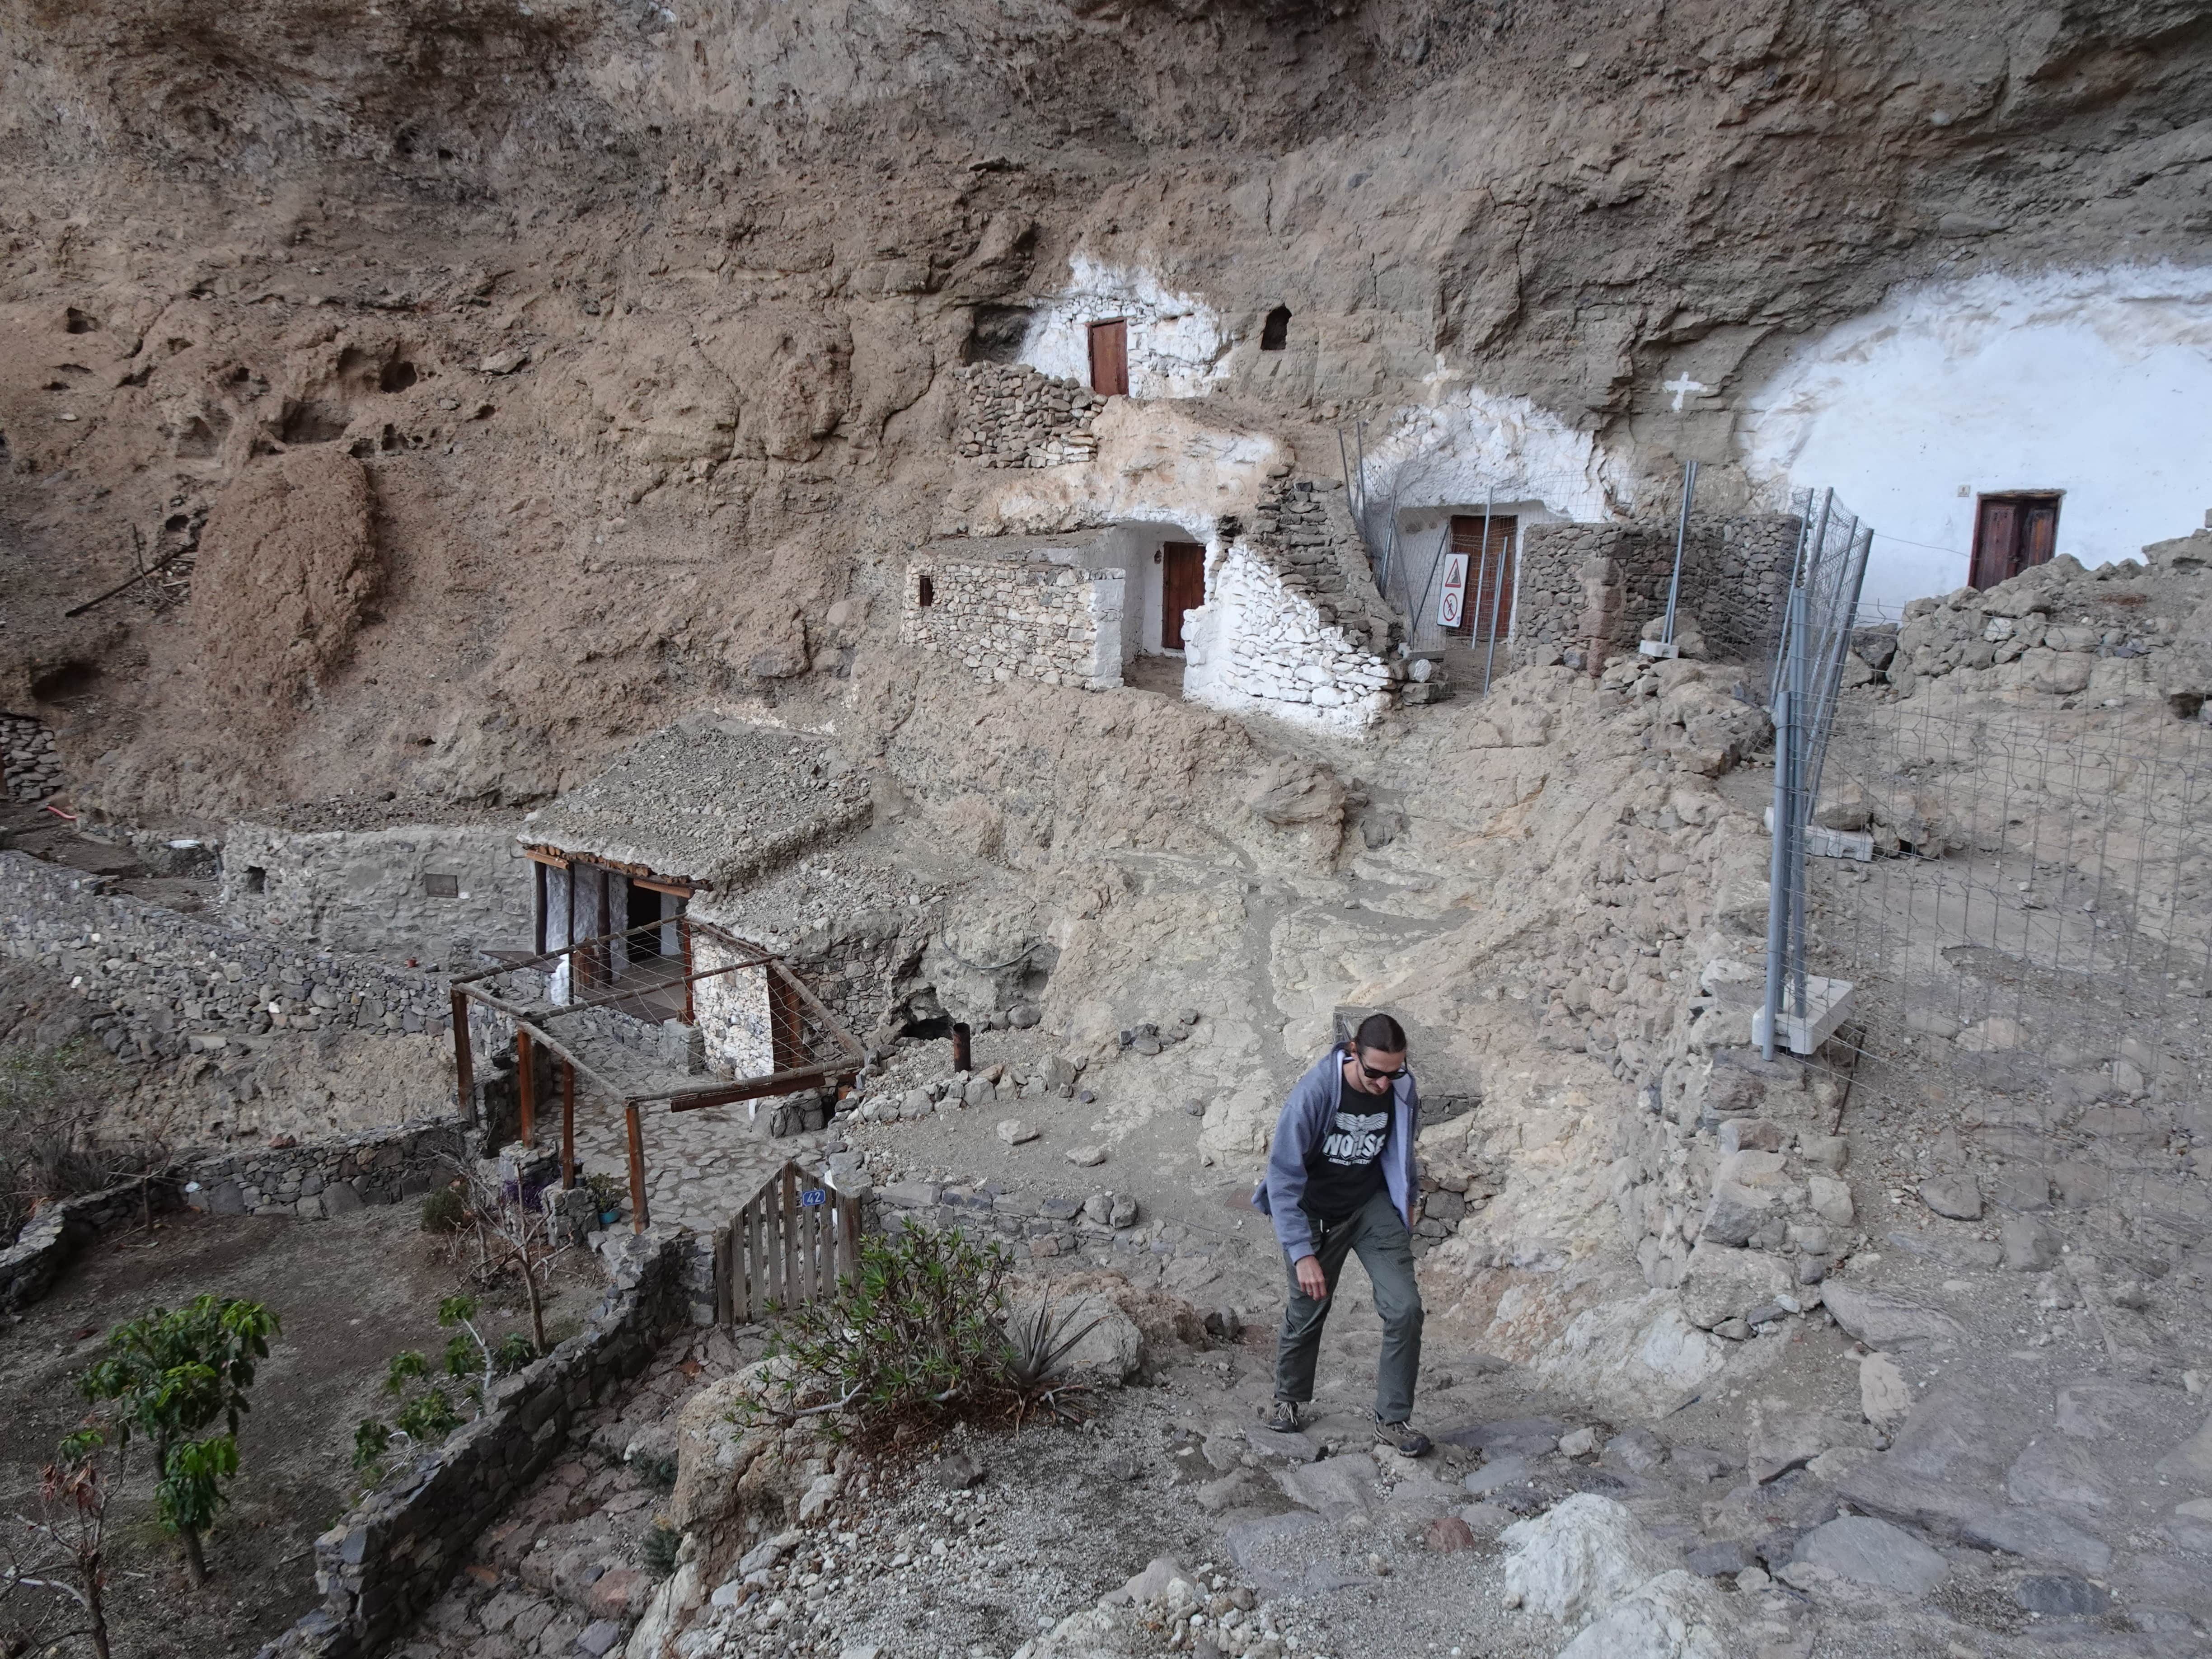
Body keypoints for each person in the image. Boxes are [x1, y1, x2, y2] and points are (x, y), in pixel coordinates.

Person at [1251, 1012, 1429, 1456]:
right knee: (1308, 1308)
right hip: (1315, 1213)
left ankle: (1393, 1420)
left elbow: (1403, 1147)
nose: (1384, 1084)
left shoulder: (1401, 1088)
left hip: (1370, 1206)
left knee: (1406, 1308)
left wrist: (1409, 1198)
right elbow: (1284, 1177)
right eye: (1374, 1073)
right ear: (1353, 1053)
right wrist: (1301, 1252)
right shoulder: (1313, 1096)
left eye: (1394, 1073)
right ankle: (1289, 1400)